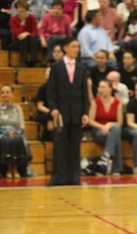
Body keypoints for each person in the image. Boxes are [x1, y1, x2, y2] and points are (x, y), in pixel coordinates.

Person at [47, 37, 90, 186]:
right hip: (60, 114)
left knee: (75, 146)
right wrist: (53, 109)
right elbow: (50, 93)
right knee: (59, 145)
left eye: (78, 47)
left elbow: (85, 93)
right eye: (73, 47)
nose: (76, 49)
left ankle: (74, 177)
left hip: (77, 113)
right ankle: (58, 178)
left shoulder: (82, 68)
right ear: (65, 48)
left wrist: (85, 112)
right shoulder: (56, 67)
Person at [87, 79, 124, 175]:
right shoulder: (95, 102)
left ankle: (106, 157)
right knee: (116, 135)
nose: (100, 90)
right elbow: (90, 121)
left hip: (111, 131)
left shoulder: (118, 103)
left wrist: (109, 125)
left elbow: (119, 122)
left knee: (116, 130)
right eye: (99, 87)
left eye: (103, 87)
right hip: (98, 131)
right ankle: (116, 168)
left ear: (110, 89)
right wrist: (103, 127)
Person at [0, 84, 29, 178]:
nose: (5, 94)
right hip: (2, 132)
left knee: (17, 139)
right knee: (7, 140)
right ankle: (8, 169)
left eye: (7, 92)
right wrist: (6, 133)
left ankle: (15, 168)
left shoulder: (18, 108)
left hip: (15, 132)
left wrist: (16, 132)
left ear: (12, 94)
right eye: (3, 92)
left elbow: (22, 125)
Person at [9, 0, 39, 67]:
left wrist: (27, 33)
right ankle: (23, 61)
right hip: (17, 42)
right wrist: (23, 22)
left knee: (32, 38)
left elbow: (35, 32)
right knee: (24, 39)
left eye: (23, 7)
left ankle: (33, 60)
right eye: (19, 7)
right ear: (16, 9)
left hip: (30, 42)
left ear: (26, 9)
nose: (21, 9)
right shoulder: (13, 19)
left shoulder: (32, 18)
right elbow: (17, 35)